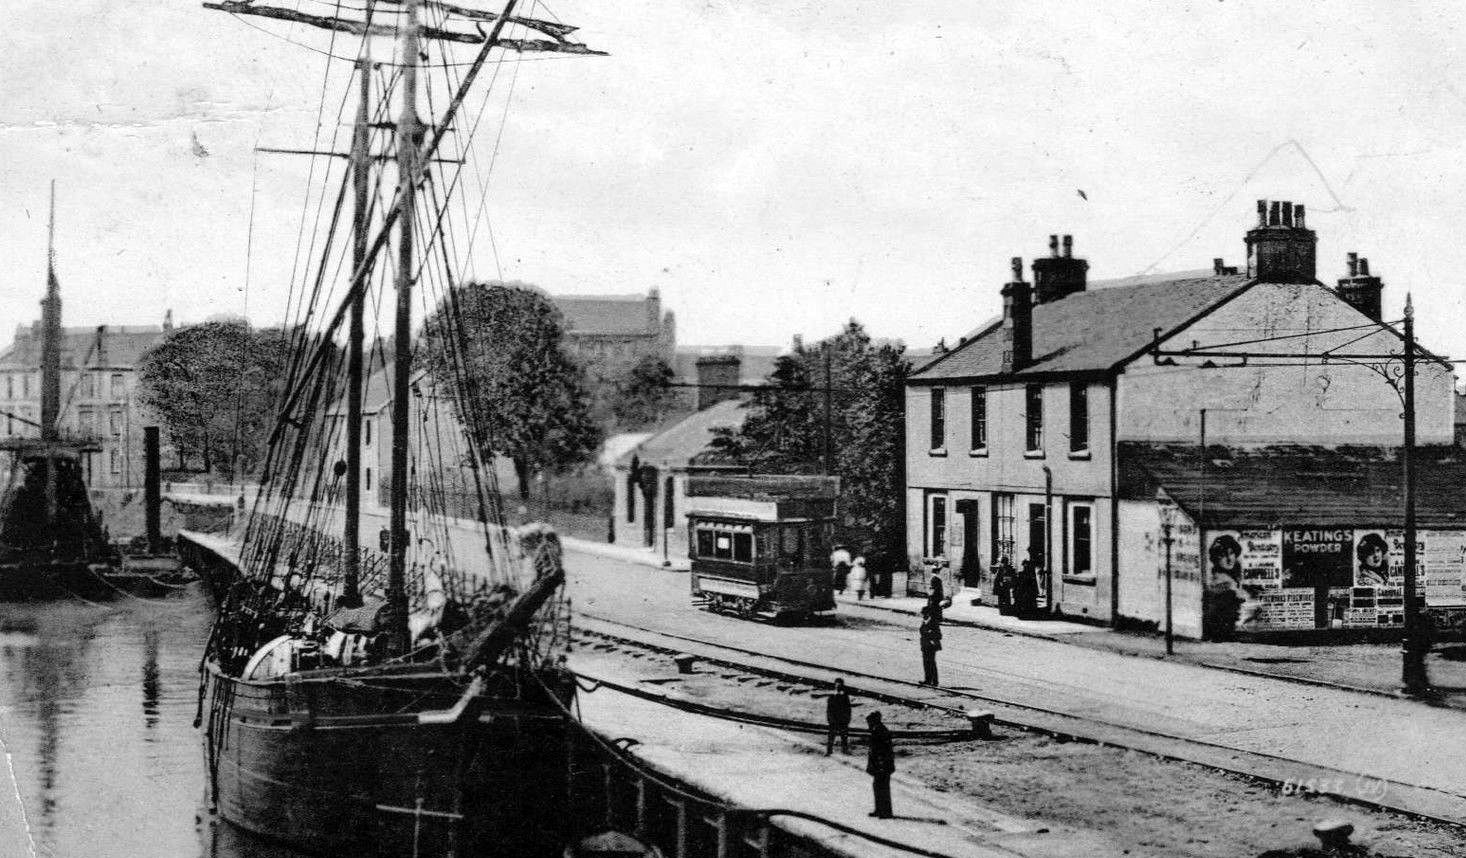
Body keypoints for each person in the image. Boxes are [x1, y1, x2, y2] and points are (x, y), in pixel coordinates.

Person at [865, 711, 894, 818]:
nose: (868, 725)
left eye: (869, 722)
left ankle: (885, 812)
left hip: (882, 766)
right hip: (880, 765)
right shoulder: (878, 730)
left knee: (883, 788)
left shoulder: (880, 731)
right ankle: (879, 810)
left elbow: (883, 751)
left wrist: (881, 765)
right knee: (878, 787)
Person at [825, 678, 852, 755]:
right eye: (837, 684)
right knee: (831, 737)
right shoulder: (832, 695)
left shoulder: (844, 696)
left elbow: (848, 709)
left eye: (839, 684)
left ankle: (844, 751)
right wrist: (830, 719)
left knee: (844, 737)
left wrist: (847, 719)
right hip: (833, 720)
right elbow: (829, 709)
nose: (838, 686)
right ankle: (829, 751)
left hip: (842, 720)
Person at [919, 607, 942, 685]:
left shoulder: (933, 622)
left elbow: (939, 635)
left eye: (924, 614)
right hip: (925, 645)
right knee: (926, 663)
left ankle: (935, 681)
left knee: (931, 663)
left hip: (931, 646)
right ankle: (927, 680)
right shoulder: (924, 621)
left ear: (928, 614)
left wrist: (930, 634)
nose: (923, 616)